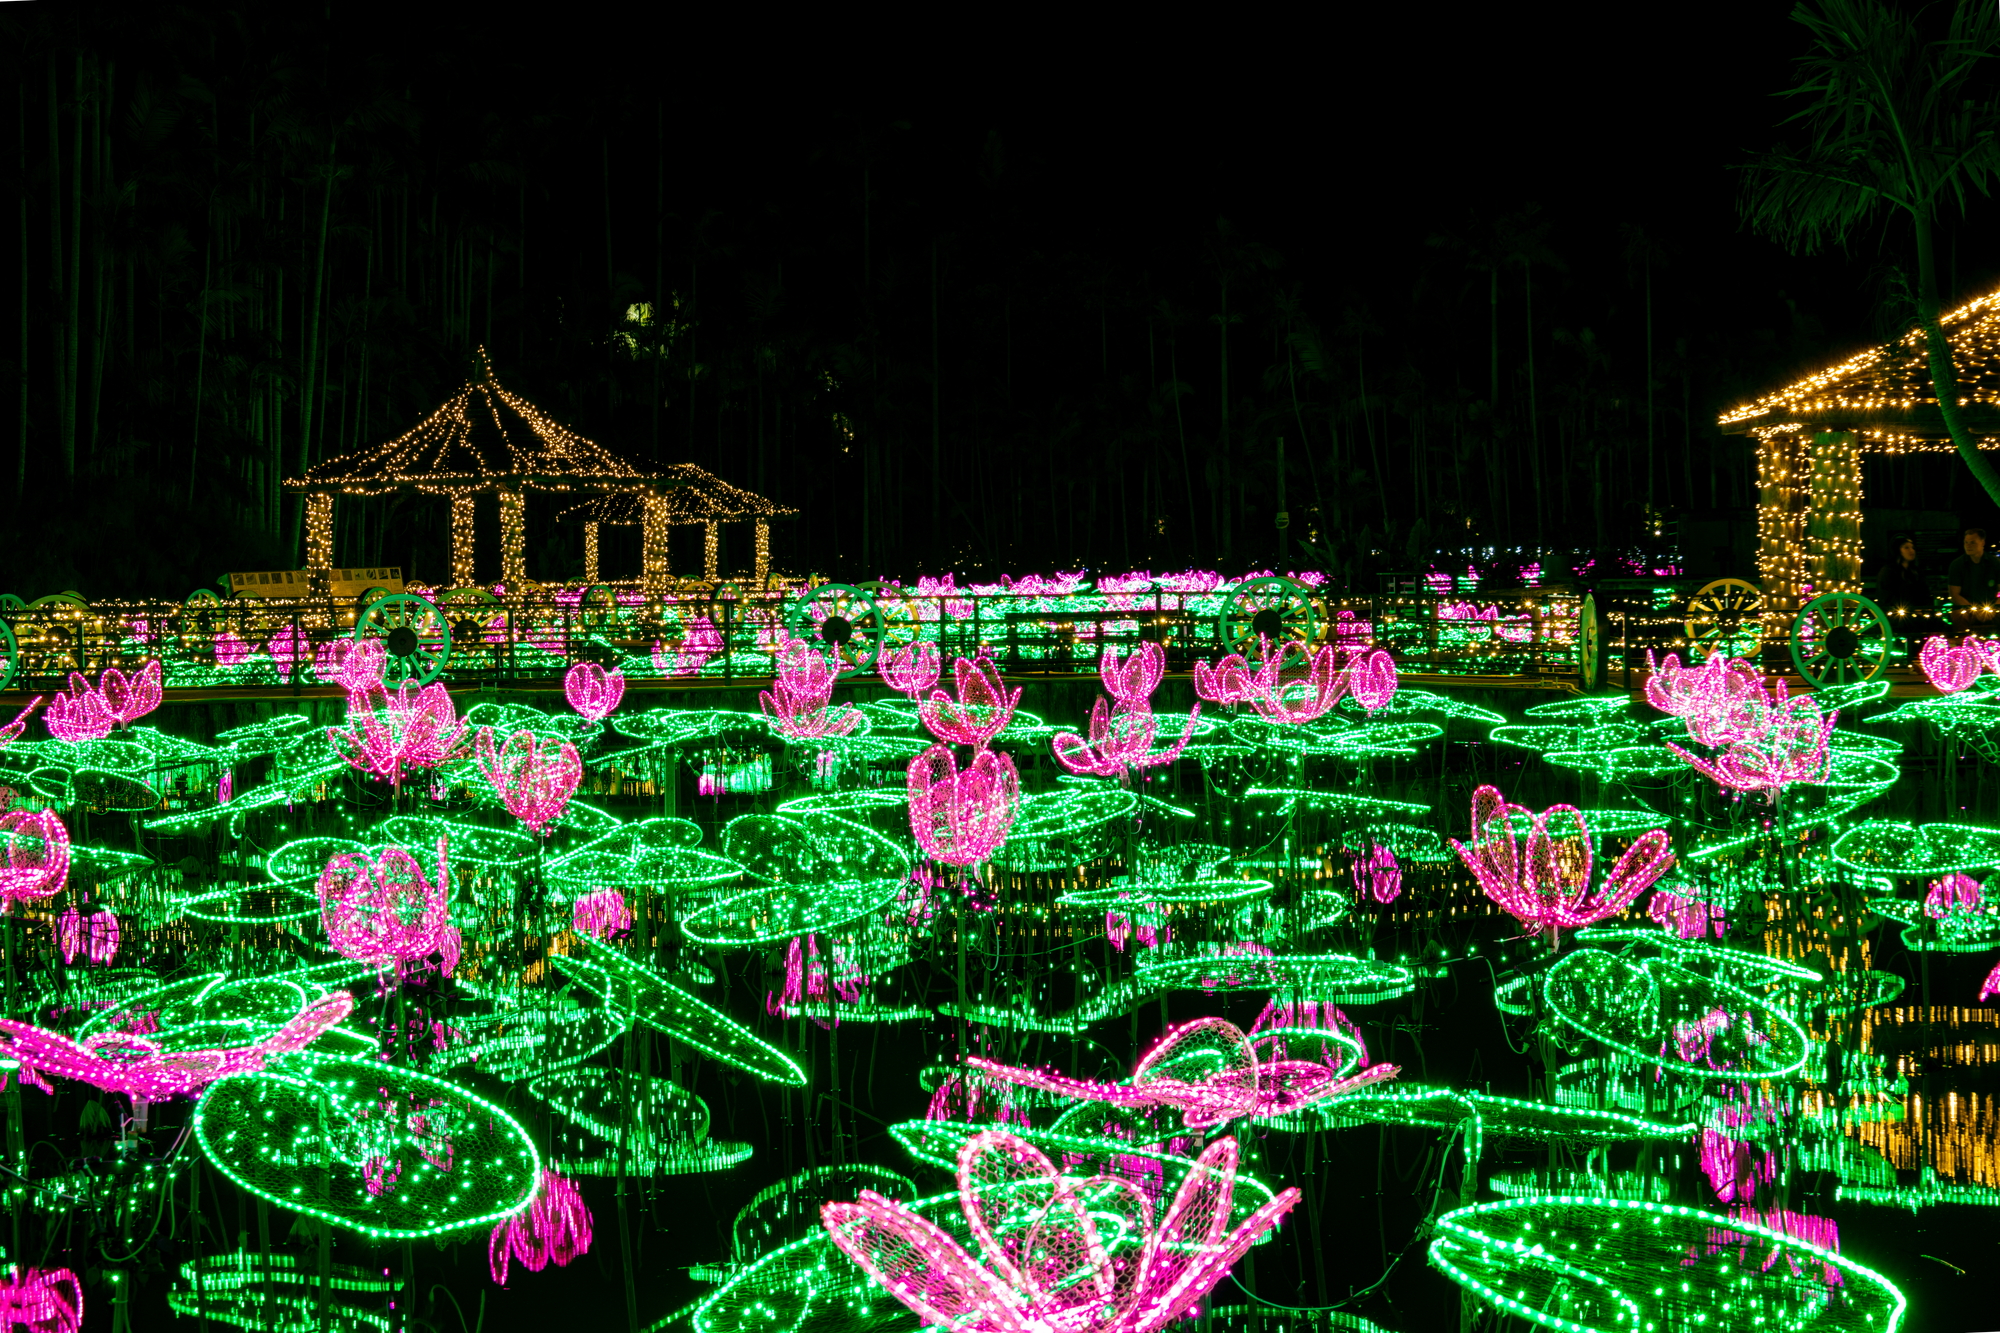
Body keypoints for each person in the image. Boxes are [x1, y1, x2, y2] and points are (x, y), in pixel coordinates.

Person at [1948, 526, 1999, 629]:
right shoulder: (1957, 564)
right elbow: (1954, 594)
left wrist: (1994, 608)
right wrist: (1973, 610)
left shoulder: (1994, 563)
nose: (1968, 546)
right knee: (1958, 615)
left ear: (1982, 543)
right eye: (1966, 542)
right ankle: (1963, 642)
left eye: (1972, 542)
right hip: (1966, 606)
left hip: (1991, 605)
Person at [1875, 532, 1931, 611]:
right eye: (1906, 547)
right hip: (1897, 615)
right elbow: (1886, 596)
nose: (1911, 551)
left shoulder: (1916, 571)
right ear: (1898, 550)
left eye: (1913, 547)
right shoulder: (1888, 571)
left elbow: (1924, 592)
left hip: (1919, 613)